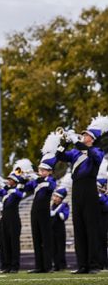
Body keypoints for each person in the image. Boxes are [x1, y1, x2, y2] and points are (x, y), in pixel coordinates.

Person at [55, 117, 107, 274]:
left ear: (92, 138)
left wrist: (76, 141)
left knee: (91, 227)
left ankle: (94, 264)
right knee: (79, 228)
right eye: (82, 135)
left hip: (89, 187)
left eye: (86, 135)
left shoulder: (97, 151)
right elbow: (59, 156)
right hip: (77, 189)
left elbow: (94, 157)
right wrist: (64, 142)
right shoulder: (75, 153)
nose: (83, 136)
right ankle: (82, 264)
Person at [0, 161, 28, 274]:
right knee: (4, 242)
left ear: (15, 182)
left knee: (13, 243)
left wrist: (8, 188)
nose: (8, 181)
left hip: (13, 219)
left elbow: (20, 195)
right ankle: (5, 265)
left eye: (10, 180)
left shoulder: (17, 191)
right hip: (4, 219)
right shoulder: (6, 190)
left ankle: (14, 266)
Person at [23, 155, 57, 273]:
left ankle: (48, 266)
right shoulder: (36, 181)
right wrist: (23, 178)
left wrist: (37, 179)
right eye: (40, 170)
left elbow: (50, 187)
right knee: (36, 238)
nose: (40, 172)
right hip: (35, 211)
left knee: (46, 238)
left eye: (43, 170)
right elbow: (24, 188)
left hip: (44, 211)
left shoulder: (51, 180)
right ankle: (39, 266)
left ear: (49, 171)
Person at [50, 184, 70, 271]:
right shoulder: (51, 205)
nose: (55, 198)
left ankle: (62, 265)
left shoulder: (64, 205)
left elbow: (64, 216)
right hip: (52, 228)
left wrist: (57, 213)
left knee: (60, 247)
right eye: (54, 196)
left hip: (60, 228)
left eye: (57, 197)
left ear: (61, 198)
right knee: (53, 247)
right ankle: (55, 265)